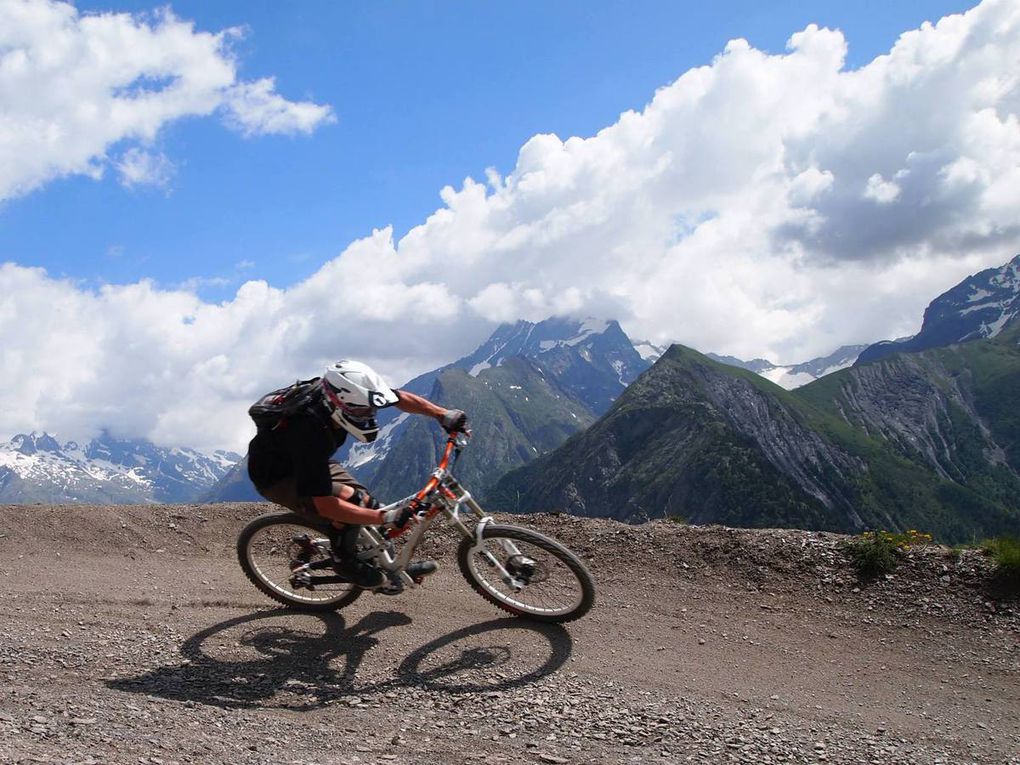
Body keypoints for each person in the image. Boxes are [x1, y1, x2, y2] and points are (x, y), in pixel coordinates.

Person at [246, 359, 468, 588]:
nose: (369, 414)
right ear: (338, 403)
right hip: (278, 476)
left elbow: (398, 398)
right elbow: (325, 504)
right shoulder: (309, 430)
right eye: (363, 410)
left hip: (310, 461)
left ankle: (390, 565)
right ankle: (344, 561)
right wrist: (384, 518)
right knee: (348, 511)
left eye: (370, 408)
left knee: (367, 504)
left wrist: (442, 414)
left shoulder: (348, 392)